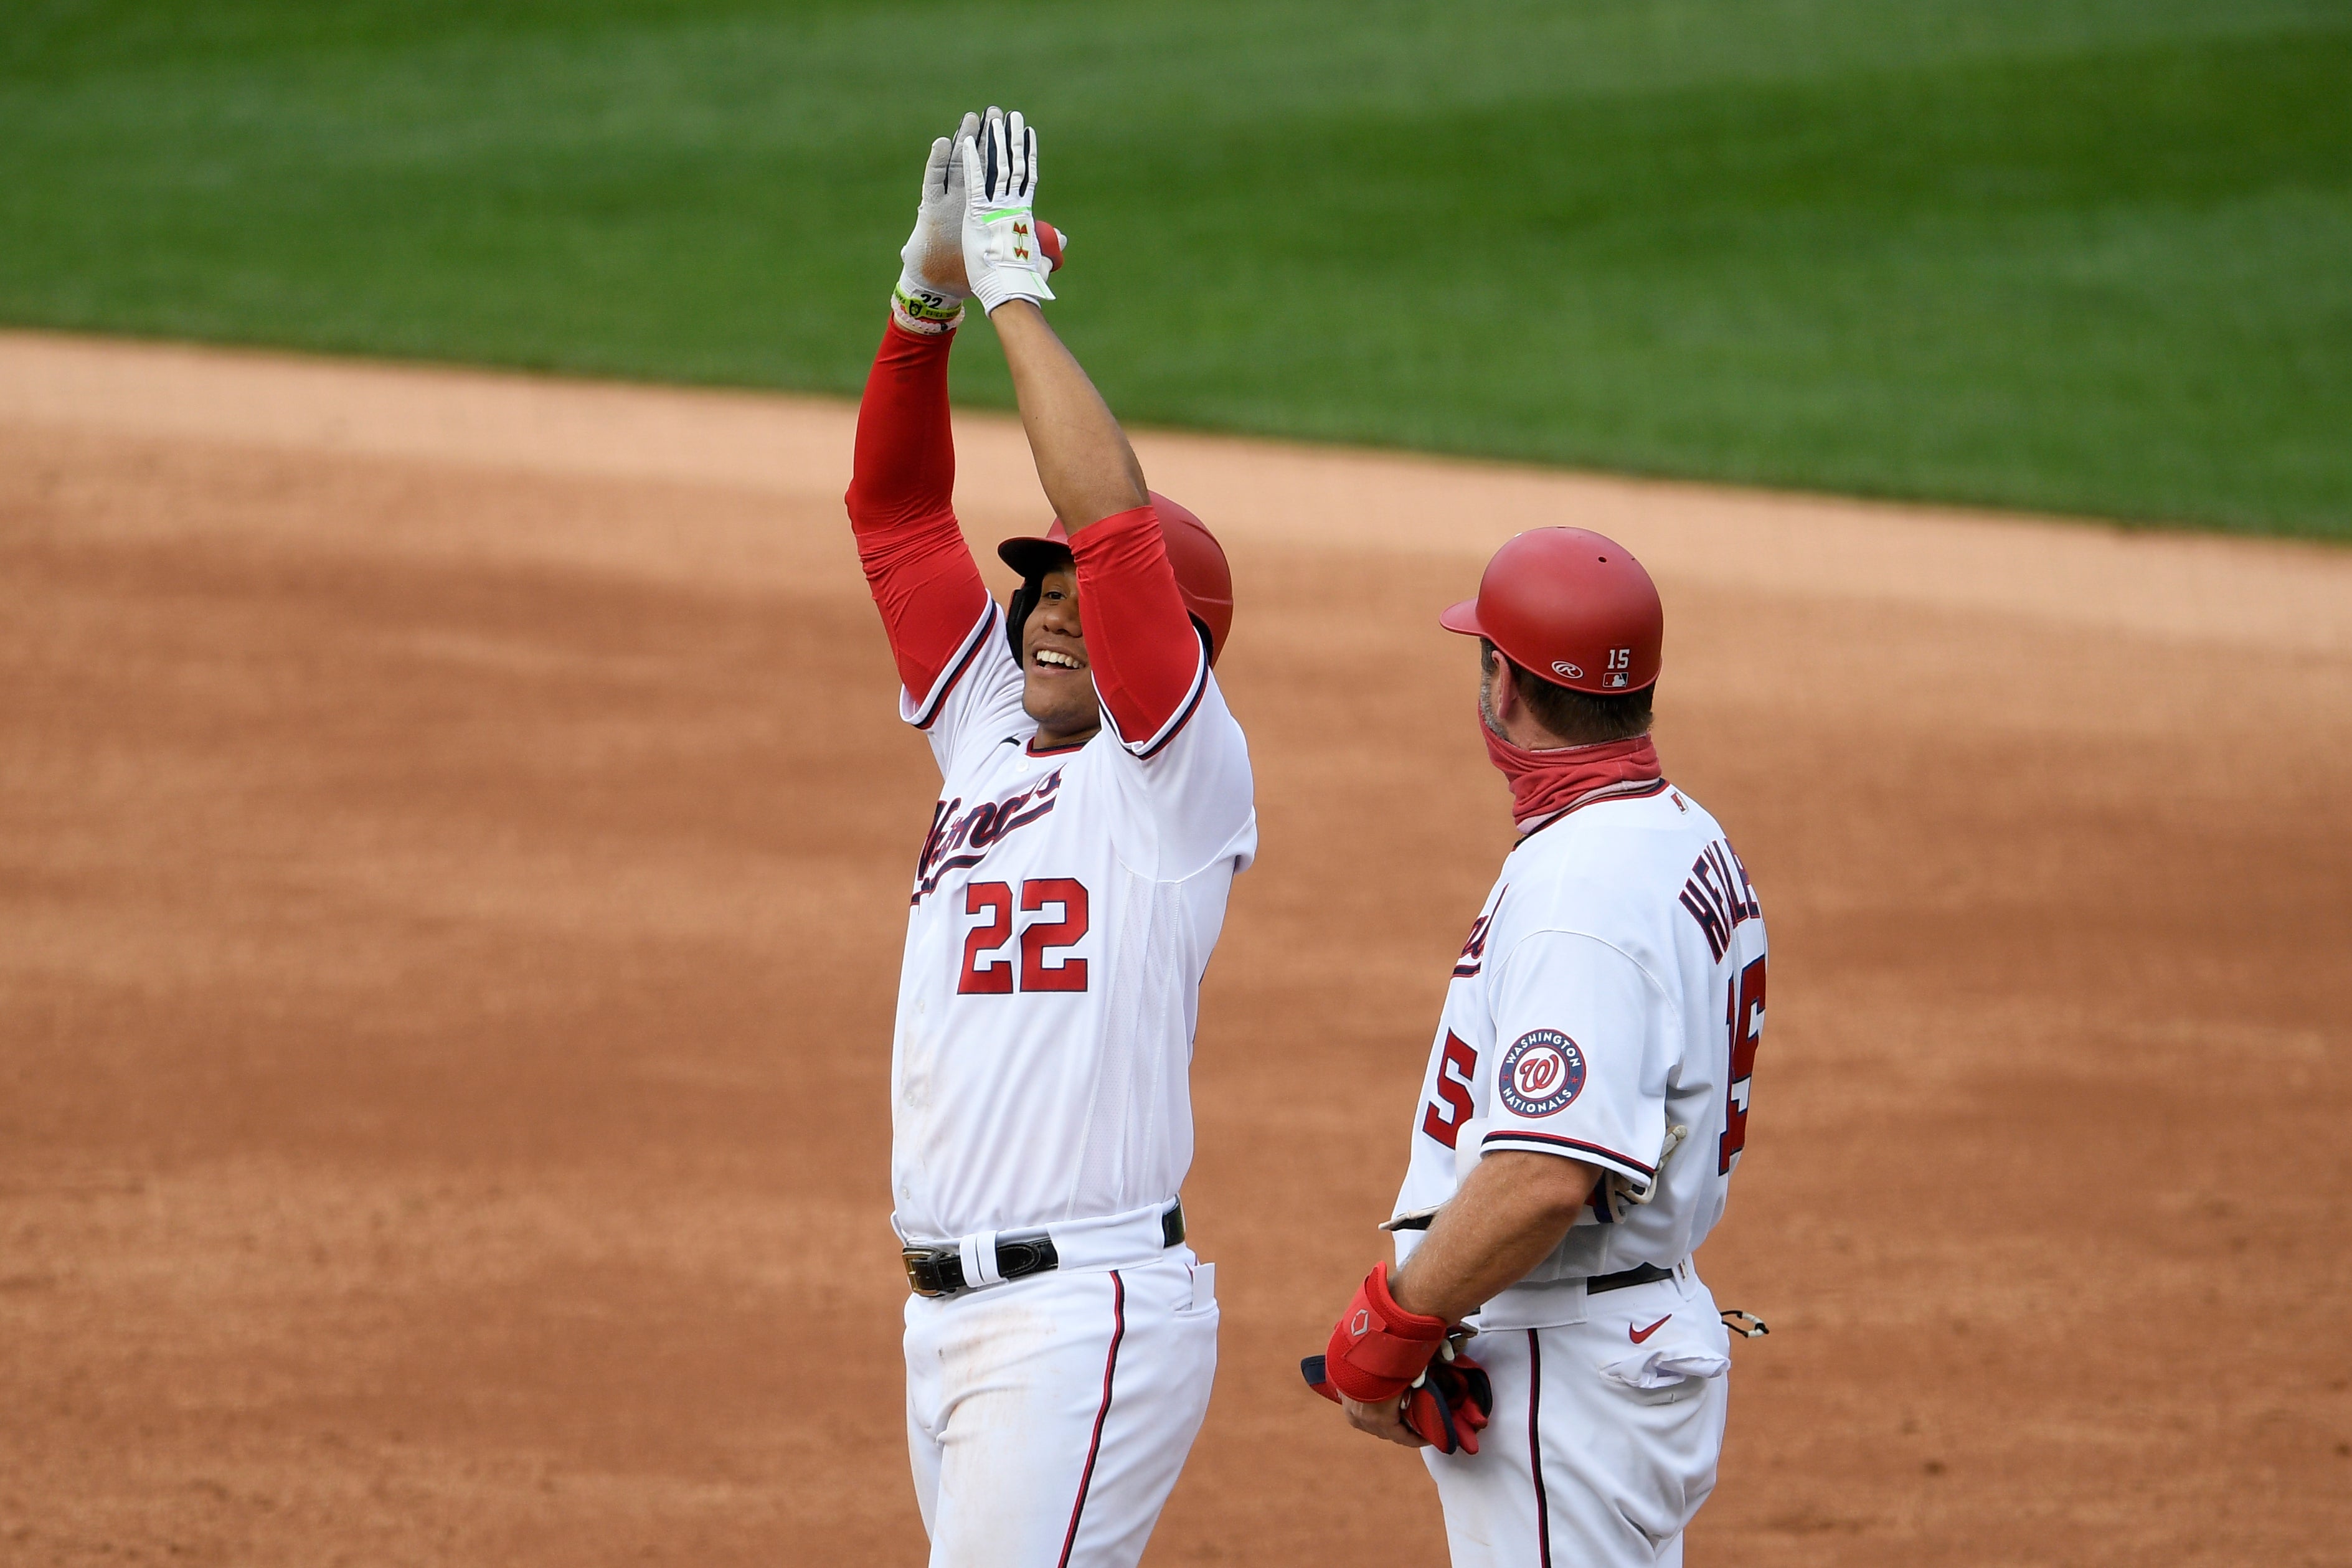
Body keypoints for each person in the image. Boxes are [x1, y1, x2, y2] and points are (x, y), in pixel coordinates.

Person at [843, 106, 1256, 1568]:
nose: (1053, 606)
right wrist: (924, 297)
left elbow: (1120, 531)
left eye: (1084, 591)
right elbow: (895, 514)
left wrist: (1016, 288)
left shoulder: (1176, 778)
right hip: (945, 1322)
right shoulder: (984, 737)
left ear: (1173, 646)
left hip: (1078, 1316)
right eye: (1041, 586)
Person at [1310, 528, 1769, 1566]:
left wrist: (1397, 1321)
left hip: (1566, 1367)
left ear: (1502, 684)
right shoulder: (1684, 833)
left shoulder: (1579, 892)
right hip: (1623, 1332)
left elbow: (1540, 1178)